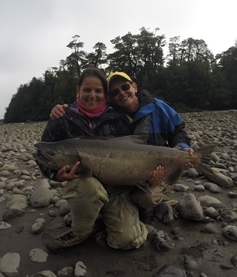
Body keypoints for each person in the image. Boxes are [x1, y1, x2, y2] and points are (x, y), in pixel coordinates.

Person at [36, 68, 163, 252]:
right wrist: (56, 175)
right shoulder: (61, 117)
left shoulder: (119, 118)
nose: (92, 95)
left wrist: (150, 178)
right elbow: (43, 154)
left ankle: (110, 218)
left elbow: (136, 153)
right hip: (83, 185)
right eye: (87, 90)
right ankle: (81, 232)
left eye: (98, 91)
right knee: (88, 187)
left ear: (105, 95)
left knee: (128, 241)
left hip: (117, 188)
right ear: (77, 91)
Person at [49, 71, 194, 212]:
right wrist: (60, 109)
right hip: (128, 171)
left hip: (157, 166)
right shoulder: (112, 116)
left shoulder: (159, 106)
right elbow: (86, 109)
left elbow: (178, 129)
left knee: (146, 199)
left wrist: (183, 147)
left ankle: (149, 206)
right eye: (114, 92)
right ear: (109, 98)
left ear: (134, 87)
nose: (122, 93)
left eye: (125, 87)